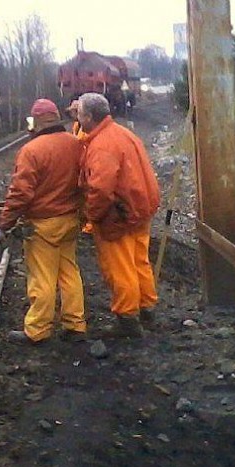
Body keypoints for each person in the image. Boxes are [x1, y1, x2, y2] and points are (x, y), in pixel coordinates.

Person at [0, 98, 87, 344]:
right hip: (70, 219)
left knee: (42, 278)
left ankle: (38, 330)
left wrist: (5, 223)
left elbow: (20, 193)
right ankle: (75, 323)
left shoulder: (31, 150)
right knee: (69, 272)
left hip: (43, 224)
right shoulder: (75, 143)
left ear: (35, 122)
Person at [77, 92, 160, 338]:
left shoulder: (102, 145)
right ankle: (146, 308)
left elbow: (101, 189)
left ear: (89, 117)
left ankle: (127, 319)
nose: (77, 119)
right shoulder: (123, 133)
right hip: (139, 210)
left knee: (120, 268)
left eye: (79, 114)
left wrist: (91, 215)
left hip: (118, 216)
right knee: (139, 261)